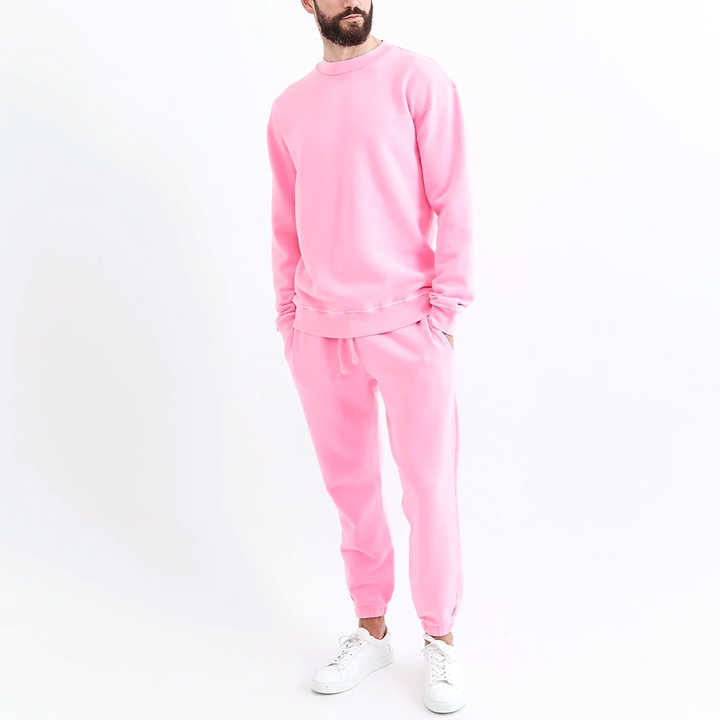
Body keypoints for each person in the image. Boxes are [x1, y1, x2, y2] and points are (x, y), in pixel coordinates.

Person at [266, 1, 475, 713]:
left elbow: (454, 197)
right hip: (320, 332)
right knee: (352, 493)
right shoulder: (290, 108)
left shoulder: (418, 79)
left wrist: (445, 309)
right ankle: (372, 629)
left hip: (410, 325)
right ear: (307, 3)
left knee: (428, 491)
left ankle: (440, 638)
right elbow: (285, 224)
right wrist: (289, 319)